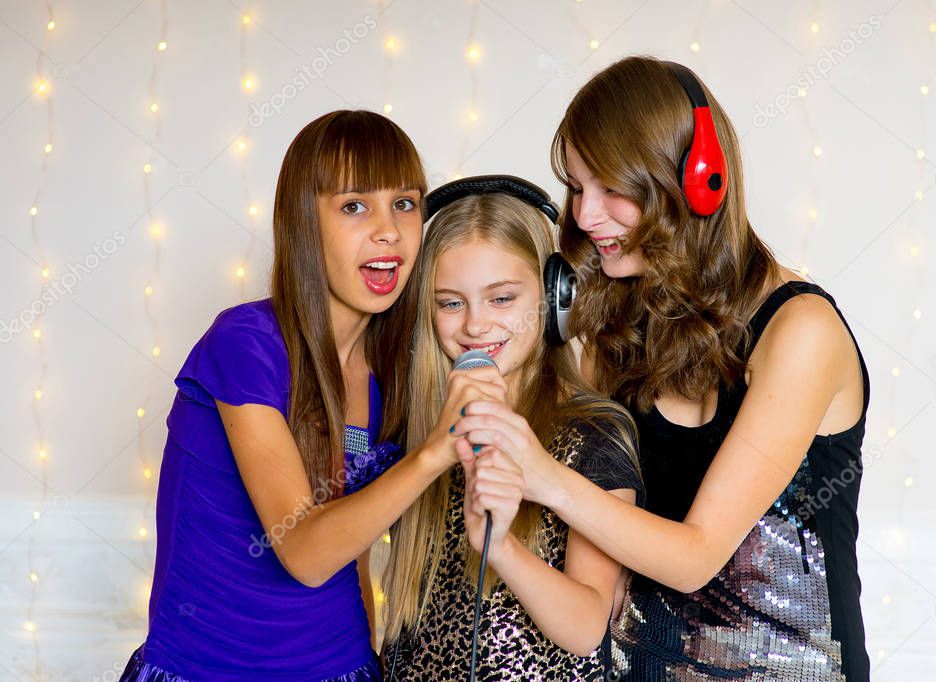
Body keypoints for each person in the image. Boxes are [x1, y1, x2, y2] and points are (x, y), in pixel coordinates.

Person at [460, 58, 871, 680]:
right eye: (576, 188)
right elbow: (603, 524)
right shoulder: (618, 320)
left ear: (697, 180)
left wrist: (542, 477)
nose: (585, 217)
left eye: (611, 190)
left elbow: (694, 558)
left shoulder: (800, 332)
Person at [119, 111, 504, 681]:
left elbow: (356, 549)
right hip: (208, 669)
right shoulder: (246, 345)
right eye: (354, 206)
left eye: (404, 203)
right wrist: (433, 453)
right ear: (305, 224)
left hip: (341, 666)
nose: (388, 230)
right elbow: (302, 551)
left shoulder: (394, 371)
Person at [381, 177, 644, 681]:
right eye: (450, 303)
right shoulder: (417, 429)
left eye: (501, 299)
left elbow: (589, 625)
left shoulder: (593, 431)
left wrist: (500, 549)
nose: (476, 326)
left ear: (553, 300)